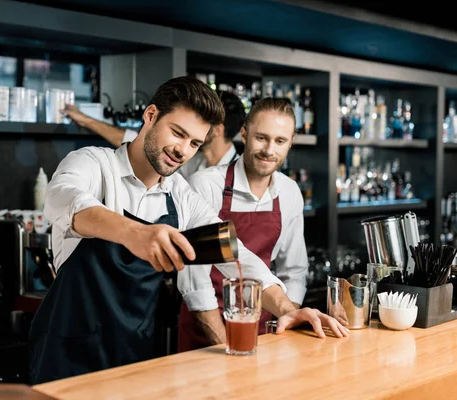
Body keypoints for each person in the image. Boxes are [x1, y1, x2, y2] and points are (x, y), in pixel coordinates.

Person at [28, 77, 348, 385]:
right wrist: (134, 233)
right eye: (178, 133)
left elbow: (236, 256)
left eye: (195, 142)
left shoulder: (180, 196)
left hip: (136, 353)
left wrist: (290, 309)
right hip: (67, 351)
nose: (183, 150)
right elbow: (62, 199)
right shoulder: (94, 164)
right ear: (151, 115)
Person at [177, 97, 316, 352]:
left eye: (280, 141)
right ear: (244, 133)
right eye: (261, 138)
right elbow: (194, 281)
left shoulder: (289, 191)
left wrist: (287, 318)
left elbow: (294, 271)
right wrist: (227, 343)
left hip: (263, 331)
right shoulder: (205, 185)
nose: (269, 150)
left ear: (290, 143)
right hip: (206, 329)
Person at [61, 89, 246, 178]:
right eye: (178, 132)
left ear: (218, 130)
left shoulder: (236, 176)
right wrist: (86, 120)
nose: (182, 150)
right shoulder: (194, 162)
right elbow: (144, 142)